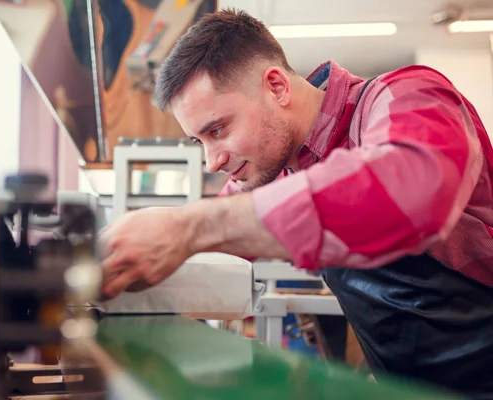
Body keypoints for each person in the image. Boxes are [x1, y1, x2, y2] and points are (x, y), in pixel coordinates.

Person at [98, 8, 493, 399]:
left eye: (218, 130)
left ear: (277, 87)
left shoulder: (407, 94)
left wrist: (190, 227)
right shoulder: (275, 168)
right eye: (199, 141)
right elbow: (209, 244)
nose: (212, 160)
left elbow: (406, 192)